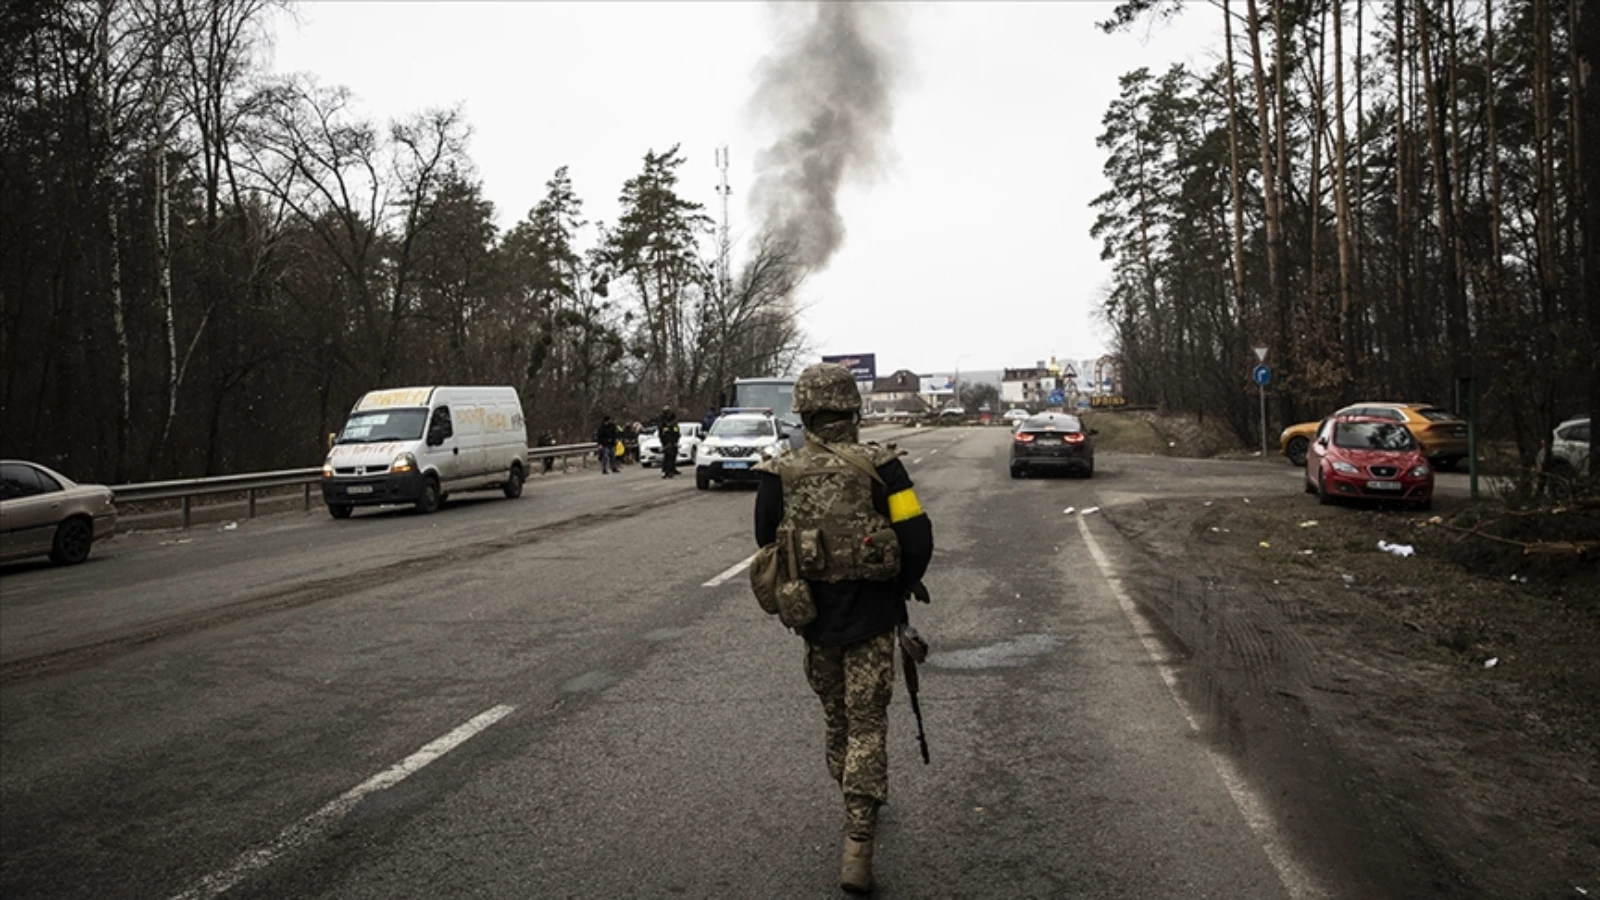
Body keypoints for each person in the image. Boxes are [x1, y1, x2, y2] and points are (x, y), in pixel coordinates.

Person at [753, 363, 934, 894]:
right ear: (852, 409)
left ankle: (855, 799)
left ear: (804, 413)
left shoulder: (778, 473)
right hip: (874, 617)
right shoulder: (883, 469)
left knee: (838, 721)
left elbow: (767, 543)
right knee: (868, 723)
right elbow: (917, 536)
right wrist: (902, 582)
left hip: (814, 621)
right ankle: (859, 836)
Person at [658, 406, 681, 478]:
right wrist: (665, 442)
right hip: (667, 441)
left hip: (673, 440)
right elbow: (662, 433)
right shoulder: (662, 422)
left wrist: (675, 440)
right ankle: (666, 471)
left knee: (673, 455)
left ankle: (672, 469)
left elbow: (676, 432)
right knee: (668, 456)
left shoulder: (673, 422)